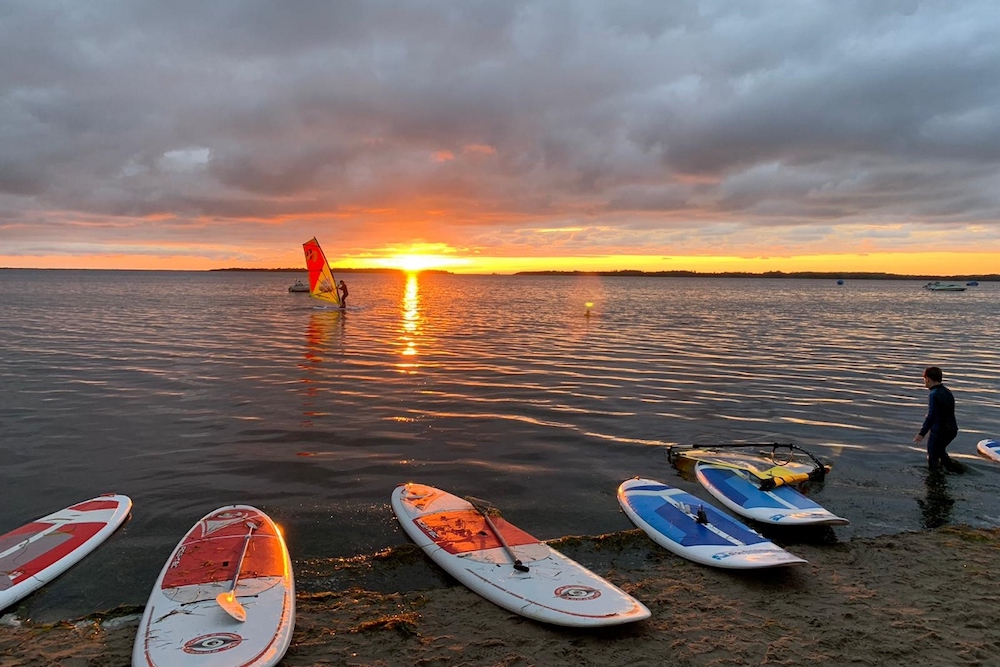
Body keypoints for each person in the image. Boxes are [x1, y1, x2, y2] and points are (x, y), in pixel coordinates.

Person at [913, 366, 961, 472]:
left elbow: (931, 417)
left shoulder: (934, 394)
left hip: (940, 430)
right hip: (952, 429)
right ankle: (954, 470)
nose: (924, 382)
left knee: (932, 455)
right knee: (940, 451)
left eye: (924, 379)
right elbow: (945, 410)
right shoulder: (947, 391)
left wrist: (921, 434)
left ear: (928, 379)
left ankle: (935, 479)